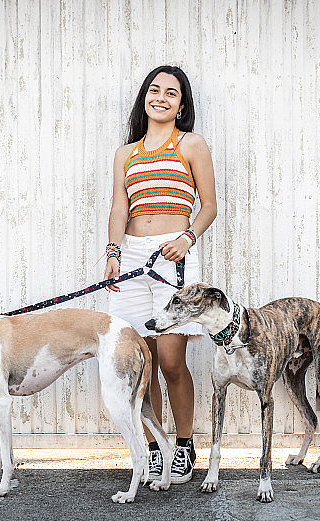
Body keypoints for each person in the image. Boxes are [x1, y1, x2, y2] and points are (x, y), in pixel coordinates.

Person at [104, 65, 217, 484]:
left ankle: (184, 443)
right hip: (132, 259)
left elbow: (209, 206)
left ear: (181, 105)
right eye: (155, 90)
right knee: (142, 363)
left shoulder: (191, 144)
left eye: (172, 93)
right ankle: (156, 447)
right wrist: (113, 252)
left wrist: (187, 238)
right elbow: (120, 207)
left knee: (170, 360)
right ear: (145, 98)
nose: (161, 98)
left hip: (174, 255)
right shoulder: (125, 153)